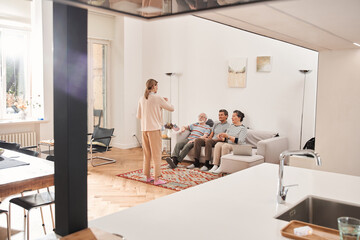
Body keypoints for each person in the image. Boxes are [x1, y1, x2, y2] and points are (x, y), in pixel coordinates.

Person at [137, 79, 174, 185]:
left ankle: (148, 176)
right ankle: (157, 179)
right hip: (154, 129)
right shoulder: (158, 98)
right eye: (157, 86)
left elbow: (139, 116)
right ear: (153, 86)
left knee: (147, 154)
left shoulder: (141, 98)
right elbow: (171, 108)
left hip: (144, 129)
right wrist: (165, 101)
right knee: (157, 154)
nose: (157, 88)